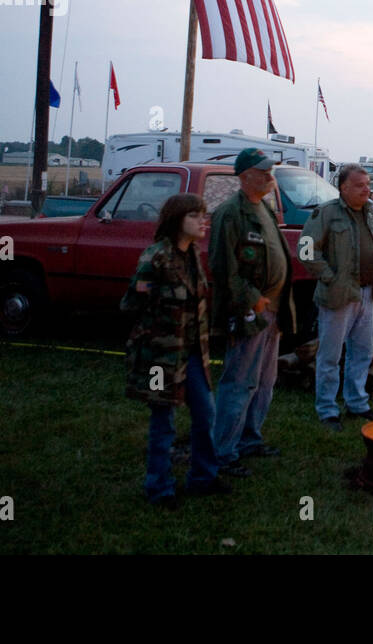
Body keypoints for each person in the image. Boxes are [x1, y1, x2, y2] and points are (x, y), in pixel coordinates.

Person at [122, 193, 228, 508]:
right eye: (195, 216)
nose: (203, 221)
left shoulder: (194, 254)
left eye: (204, 215)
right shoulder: (155, 258)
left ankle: (203, 477)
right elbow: (131, 303)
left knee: (206, 413)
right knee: (163, 419)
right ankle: (159, 488)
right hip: (160, 357)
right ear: (176, 220)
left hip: (193, 352)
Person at [211, 149, 296, 478]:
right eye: (263, 171)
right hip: (251, 312)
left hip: (273, 311)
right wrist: (252, 299)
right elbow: (223, 268)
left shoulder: (263, 207)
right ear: (245, 176)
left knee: (264, 381)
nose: (269, 175)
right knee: (239, 381)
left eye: (270, 170)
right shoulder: (231, 214)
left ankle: (249, 440)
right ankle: (224, 451)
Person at [300, 164, 373, 430]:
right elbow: (306, 250)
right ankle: (328, 410)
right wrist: (330, 277)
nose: (367, 189)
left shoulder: (371, 214)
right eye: (360, 185)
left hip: (367, 293)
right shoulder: (327, 214)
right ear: (343, 187)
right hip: (338, 296)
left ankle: (357, 403)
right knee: (330, 356)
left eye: (367, 184)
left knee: (362, 353)